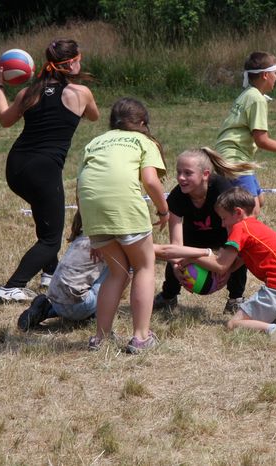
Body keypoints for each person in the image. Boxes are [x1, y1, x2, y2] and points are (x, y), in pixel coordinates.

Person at [0, 39, 99, 304]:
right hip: (44, 171)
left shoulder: (28, 93)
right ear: (71, 63)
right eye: (79, 59)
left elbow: (4, 119)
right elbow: (94, 116)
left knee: (45, 221)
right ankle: (12, 287)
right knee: (51, 240)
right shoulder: (81, 93)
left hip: (16, 168)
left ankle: (50, 273)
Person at [155, 187, 276, 343]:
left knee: (234, 324)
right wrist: (226, 272)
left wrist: (195, 258)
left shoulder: (240, 228)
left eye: (224, 218)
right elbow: (239, 260)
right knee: (263, 318)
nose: (222, 224)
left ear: (237, 212)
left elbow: (221, 265)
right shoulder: (255, 227)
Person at [78, 97, 168, 354]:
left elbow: (82, 184)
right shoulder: (143, 141)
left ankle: (100, 337)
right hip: (125, 208)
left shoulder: (95, 142)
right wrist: (163, 210)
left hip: (92, 212)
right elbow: (150, 181)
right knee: (144, 267)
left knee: (117, 273)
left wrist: (89, 227)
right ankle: (141, 337)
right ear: (143, 123)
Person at [153, 147, 257, 314]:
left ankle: (235, 299)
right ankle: (168, 296)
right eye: (179, 172)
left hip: (224, 234)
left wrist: (228, 269)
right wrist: (176, 267)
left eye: (188, 173)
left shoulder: (223, 190)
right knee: (174, 258)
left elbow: (240, 235)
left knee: (237, 253)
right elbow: (176, 244)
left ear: (205, 174)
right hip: (193, 236)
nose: (181, 177)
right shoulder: (176, 197)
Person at [215, 51, 276, 216]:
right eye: (275, 73)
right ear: (265, 75)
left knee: (260, 200)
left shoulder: (248, 94)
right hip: (235, 158)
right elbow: (261, 140)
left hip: (229, 155)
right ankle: (234, 230)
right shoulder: (257, 99)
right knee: (251, 210)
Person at [17, 212, 109, 331]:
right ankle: (99, 315)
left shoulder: (80, 237)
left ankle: (44, 311)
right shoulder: (106, 241)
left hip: (55, 299)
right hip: (79, 306)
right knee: (120, 269)